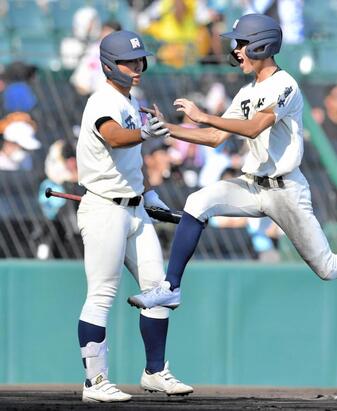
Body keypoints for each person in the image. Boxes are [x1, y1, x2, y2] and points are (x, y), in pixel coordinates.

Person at [127, 14, 337, 315]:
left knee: (329, 268)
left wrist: (202, 115)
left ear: (261, 46)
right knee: (197, 201)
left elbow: (255, 127)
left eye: (241, 43)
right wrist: (169, 128)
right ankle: (171, 288)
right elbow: (217, 136)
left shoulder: (286, 85)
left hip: (286, 191)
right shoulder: (247, 91)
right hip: (252, 184)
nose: (236, 50)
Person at [75, 29, 192, 403]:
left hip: (133, 206)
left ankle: (155, 372)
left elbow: (127, 158)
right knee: (101, 295)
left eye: (140, 60)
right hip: (104, 209)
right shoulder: (102, 100)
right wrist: (143, 133)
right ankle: (95, 383)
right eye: (129, 61)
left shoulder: (130, 98)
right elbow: (112, 135)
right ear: (110, 64)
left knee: (158, 290)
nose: (137, 67)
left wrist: (147, 195)